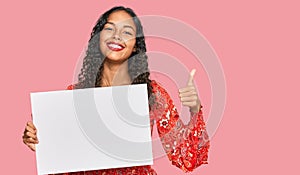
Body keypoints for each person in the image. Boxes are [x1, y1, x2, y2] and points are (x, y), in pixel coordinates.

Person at [22, 6, 210, 175]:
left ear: (136, 45)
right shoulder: (74, 95)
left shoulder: (152, 94)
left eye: (127, 32)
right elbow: (63, 158)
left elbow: (187, 158)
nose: (117, 36)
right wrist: (40, 141)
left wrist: (195, 109)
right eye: (110, 28)